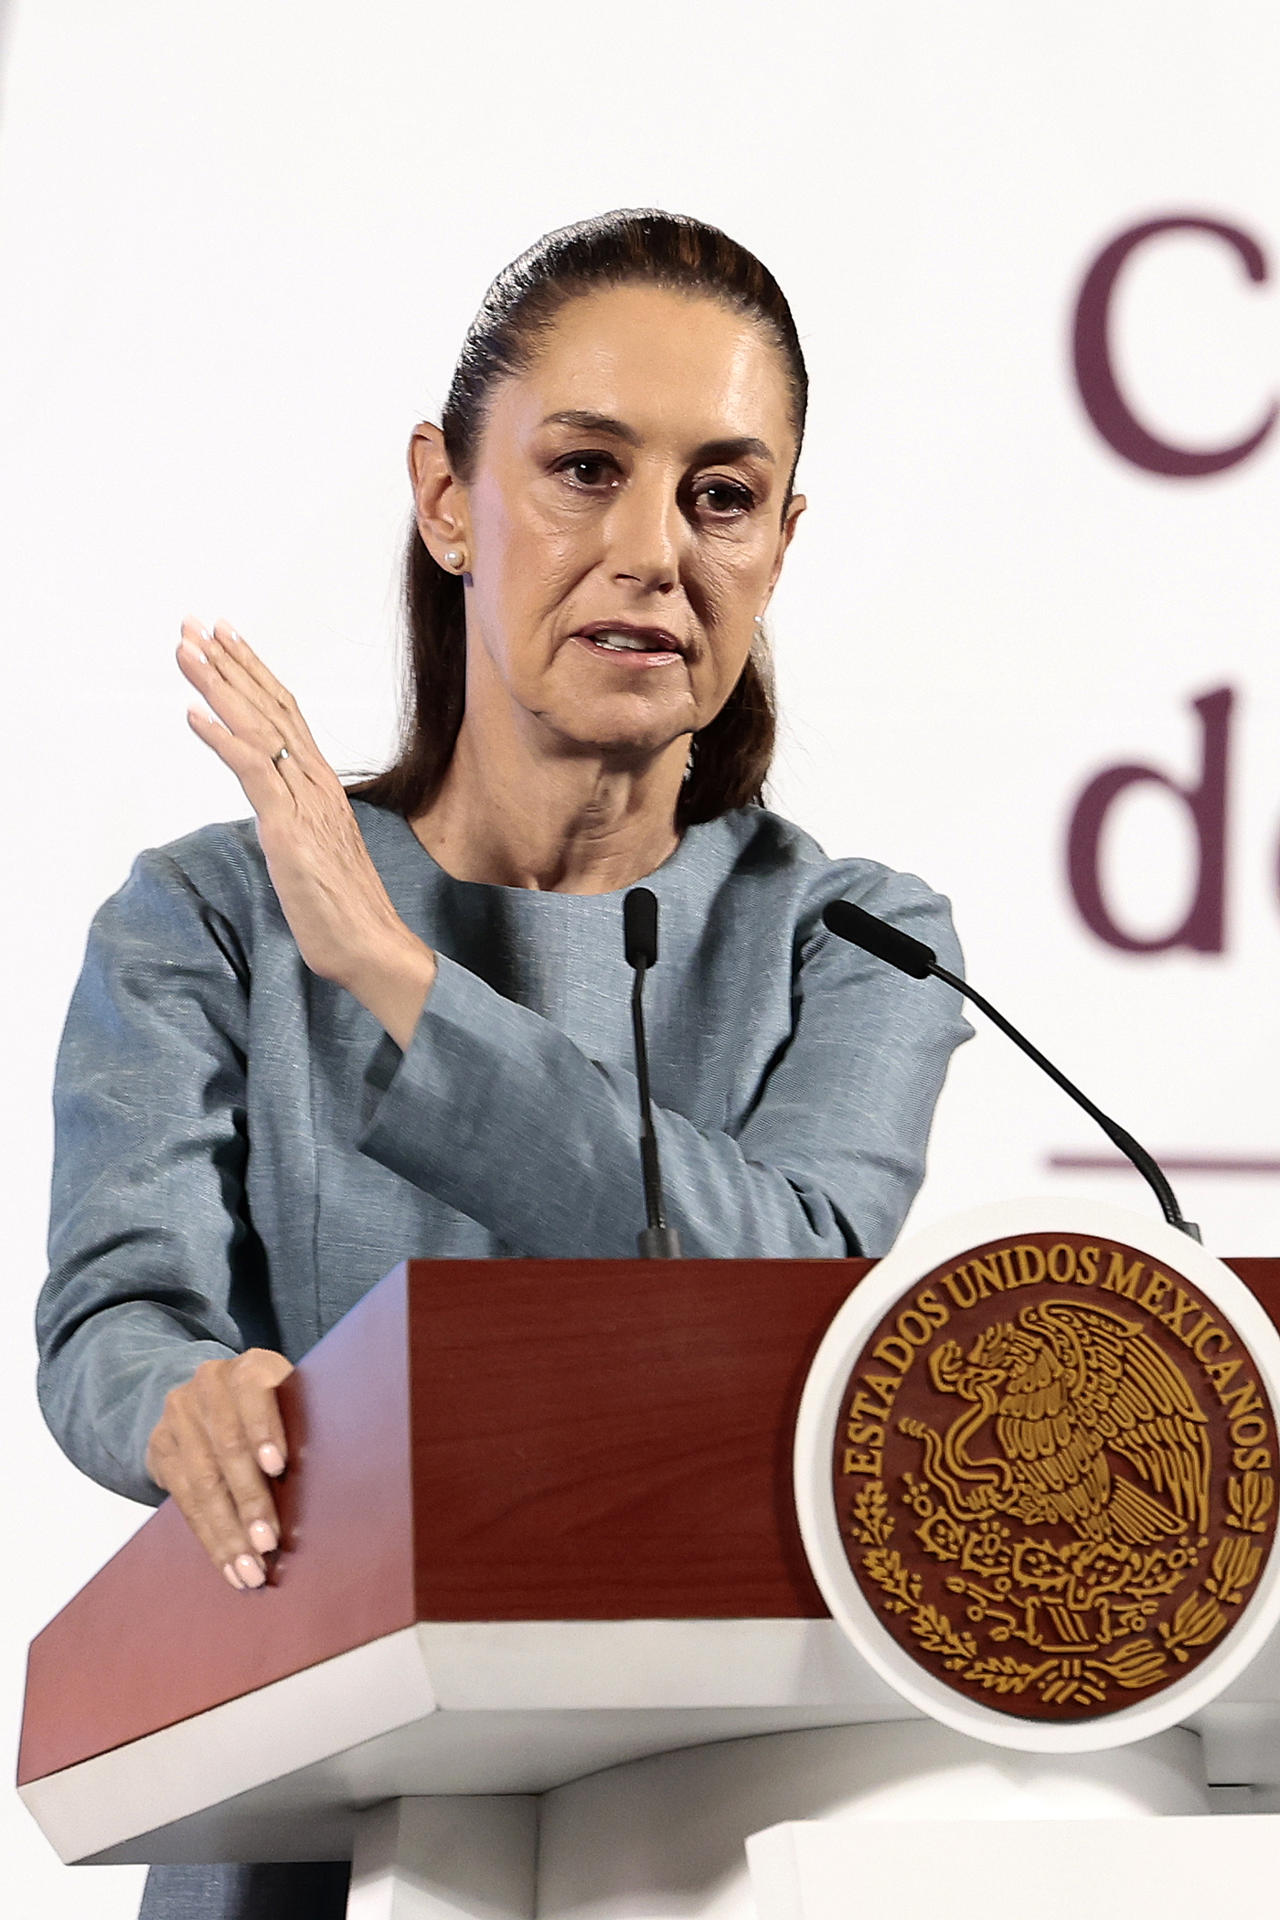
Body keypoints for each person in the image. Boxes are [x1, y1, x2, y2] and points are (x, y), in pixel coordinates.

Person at [37, 209, 970, 1920]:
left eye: (721, 495)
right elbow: (118, 1317)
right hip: (304, 1806)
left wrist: (392, 971)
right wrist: (187, 1403)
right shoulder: (212, 914)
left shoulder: (861, 938)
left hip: (713, 1823)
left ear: (780, 542)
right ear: (448, 496)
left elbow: (791, 1283)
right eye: (585, 468)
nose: (650, 550)